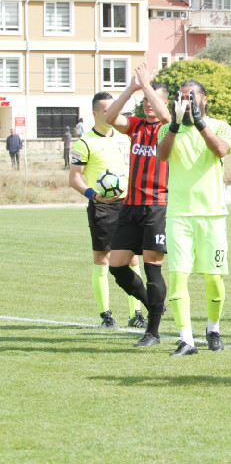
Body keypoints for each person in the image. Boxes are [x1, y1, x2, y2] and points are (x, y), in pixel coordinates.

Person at [157, 80, 231, 356]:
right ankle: (186, 339)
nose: (184, 101)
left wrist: (200, 123)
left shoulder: (220, 125)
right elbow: (162, 155)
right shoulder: (167, 128)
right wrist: (175, 125)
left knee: (214, 279)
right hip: (179, 215)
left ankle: (213, 329)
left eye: (190, 97)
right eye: (180, 97)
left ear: (204, 99)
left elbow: (221, 150)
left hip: (212, 215)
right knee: (178, 278)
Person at [104, 63, 172, 347]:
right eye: (144, 102)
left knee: (152, 267)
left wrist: (146, 85)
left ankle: (153, 332)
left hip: (157, 206)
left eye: (152, 100)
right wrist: (131, 88)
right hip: (130, 206)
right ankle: (154, 304)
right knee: (117, 266)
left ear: (163, 102)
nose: (148, 106)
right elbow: (110, 117)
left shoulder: (170, 129)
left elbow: (168, 117)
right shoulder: (137, 127)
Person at [68, 92, 145, 329]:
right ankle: (106, 315)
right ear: (94, 114)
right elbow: (74, 178)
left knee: (132, 258)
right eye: (105, 110)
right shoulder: (84, 142)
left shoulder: (125, 138)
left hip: (128, 205)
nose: (111, 114)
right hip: (102, 207)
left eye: (115, 110)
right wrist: (93, 194)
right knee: (103, 258)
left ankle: (137, 313)